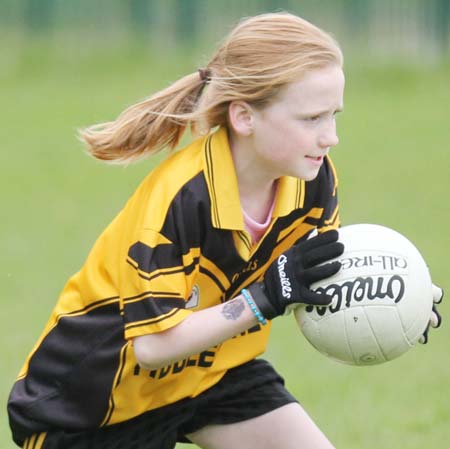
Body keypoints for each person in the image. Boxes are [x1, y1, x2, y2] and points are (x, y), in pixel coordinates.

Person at [8, 11, 443, 449]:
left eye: (334, 116)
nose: (330, 137)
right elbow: (154, 347)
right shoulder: (183, 198)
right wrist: (263, 299)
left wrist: (395, 297)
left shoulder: (314, 181)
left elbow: (311, 279)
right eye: (311, 119)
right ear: (244, 118)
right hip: (88, 407)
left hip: (209, 378)